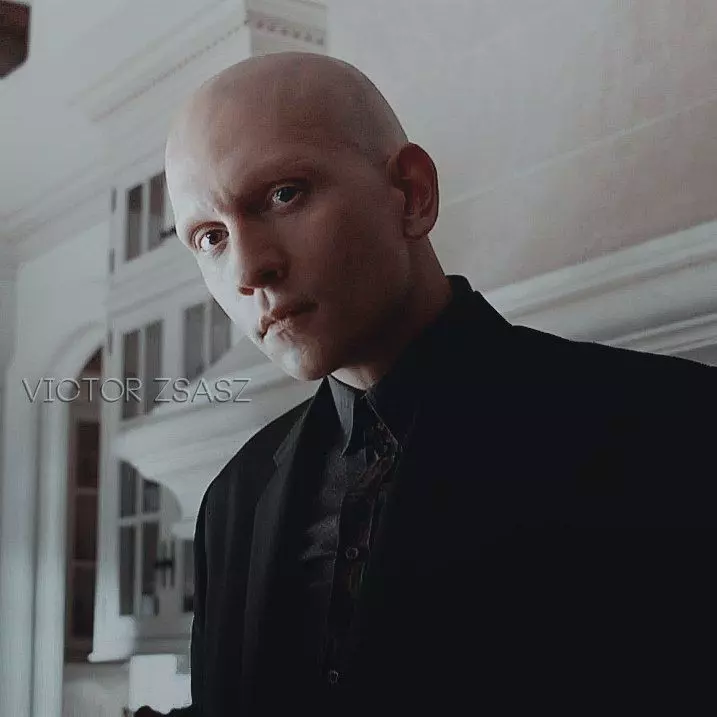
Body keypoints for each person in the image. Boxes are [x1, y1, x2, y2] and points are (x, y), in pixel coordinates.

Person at [136, 51, 716, 716]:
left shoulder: (672, 427)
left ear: (412, 194)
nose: (247, 270)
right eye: (210, 237)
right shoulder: (232, 500)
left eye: (283, 194)